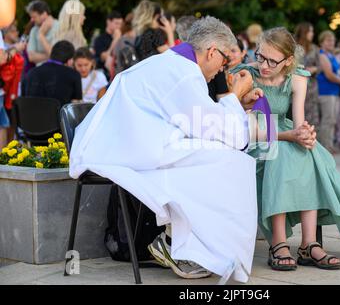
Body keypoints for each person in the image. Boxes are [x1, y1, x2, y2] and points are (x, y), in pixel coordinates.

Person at [69, 16, 267, 283]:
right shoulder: (183, 73)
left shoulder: (172, 64)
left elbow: (201, 122)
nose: (222, 69)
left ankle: (183, 243)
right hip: (126, 152)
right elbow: (224, 132)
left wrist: (235, 105)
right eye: (224, 60)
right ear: (211, 51)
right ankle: (179, 245)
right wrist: (234, 96)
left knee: (221, 158)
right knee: (229, 160)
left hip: (128, 144)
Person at [231, 27, 340, 272]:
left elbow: (298, 122)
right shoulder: (246, 74)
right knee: (278, 153)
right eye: (260, 56)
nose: (264, 64)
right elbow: (241, 125)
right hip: (253, 137)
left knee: (307, 152)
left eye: (272, 60)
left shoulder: (297, 77)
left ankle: (309, 243)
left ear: (288, 61)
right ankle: (278, 242)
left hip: (284, 132)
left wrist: (306, 135)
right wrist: (290, 136)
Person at [22, 40, 82, 106]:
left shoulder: (30, 73)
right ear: (70, 60)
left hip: (30, 116)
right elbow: (76, 105)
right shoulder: (74, 75)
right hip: (57, 116)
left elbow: (23, 100)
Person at [317, 30, 340, 154]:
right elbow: (329, 74)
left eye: (333, 40)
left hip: (334, 91)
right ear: (322, 42)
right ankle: (325, 147)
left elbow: (339, 70)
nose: (331, 42)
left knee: (333, 119)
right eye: (328, 40)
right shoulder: (322, 55)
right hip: (326, 91)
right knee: (327, 119)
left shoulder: (331, 55)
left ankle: (329, 144)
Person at [294, 22, 320, 127]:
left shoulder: (314, 48)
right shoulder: (294, 47)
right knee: (296, 114)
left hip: (311, 87)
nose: (312, 34)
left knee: (311, 117)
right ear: (304, 32)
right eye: (310, 31)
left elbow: (320, 66)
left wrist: (314, 69)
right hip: (296, 83)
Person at [26, 0, 59, 66]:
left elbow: (57, 56)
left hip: (56, 71)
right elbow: (31, 57)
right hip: (39, 72)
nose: (31, 20)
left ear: (44, 14)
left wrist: (41, 35)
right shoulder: (34, 30)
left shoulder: (59, 27)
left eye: (34, 17)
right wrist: (50, 56)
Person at [93, 11, 123, 78]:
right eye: (116, 23)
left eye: (120, 24)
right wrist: (115, 40)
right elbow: (104, 57)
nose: (119, 26)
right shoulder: (100, 39)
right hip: (105, 76)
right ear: (108, 22)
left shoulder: (122, 38)